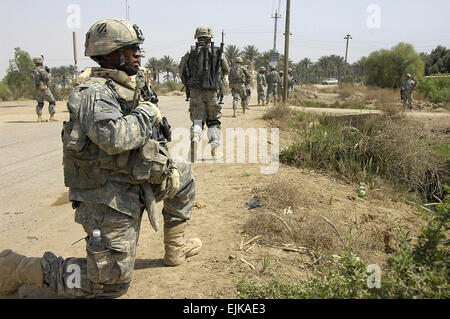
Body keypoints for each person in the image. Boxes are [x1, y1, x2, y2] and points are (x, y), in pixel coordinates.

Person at [0, 18, 201, 299]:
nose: (138, 53)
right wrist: (146, 113)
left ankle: (175, 249)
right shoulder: (92, 93)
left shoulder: (128, 84)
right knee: (110, 285)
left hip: (135, 178)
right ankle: (19, 268)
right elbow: (114, 138)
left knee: (184, 174)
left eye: (138, 48)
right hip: (107, 196)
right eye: (130, 48)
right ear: (109, 53)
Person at [179, 26, 230, 159]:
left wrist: (188, 82)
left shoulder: (190, 53)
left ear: (197, 37)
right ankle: (214, 149)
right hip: (212, 91)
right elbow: (226, 69)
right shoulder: (218, 52)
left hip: (195, 92)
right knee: (213, 120)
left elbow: (180, 71)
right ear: (210, 37)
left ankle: (195, 136)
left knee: (197, 119)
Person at [30, 56, 56, 122]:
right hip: (43, 89)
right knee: (52, 101)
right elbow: (47, 78)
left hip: (36, 89)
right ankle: (52, 117)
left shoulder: (33, 71)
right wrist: (48, 72)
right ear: (41, 61)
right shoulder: (41, 70)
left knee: (40, 103)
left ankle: (39, 117)